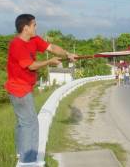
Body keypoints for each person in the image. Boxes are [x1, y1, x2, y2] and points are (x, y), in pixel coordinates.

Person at [4, 14, 77, 164]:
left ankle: (21, 155)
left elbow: (52, 48)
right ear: (26, 28)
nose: (36, 27)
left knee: (23, 122)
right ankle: (28, 160)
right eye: (34, 25)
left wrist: (67, 54)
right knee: (30, 123)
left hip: (23, 88)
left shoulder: (34, 40)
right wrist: (49, 61)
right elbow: (31, 65)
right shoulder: (16, 44)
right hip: (19, 90)